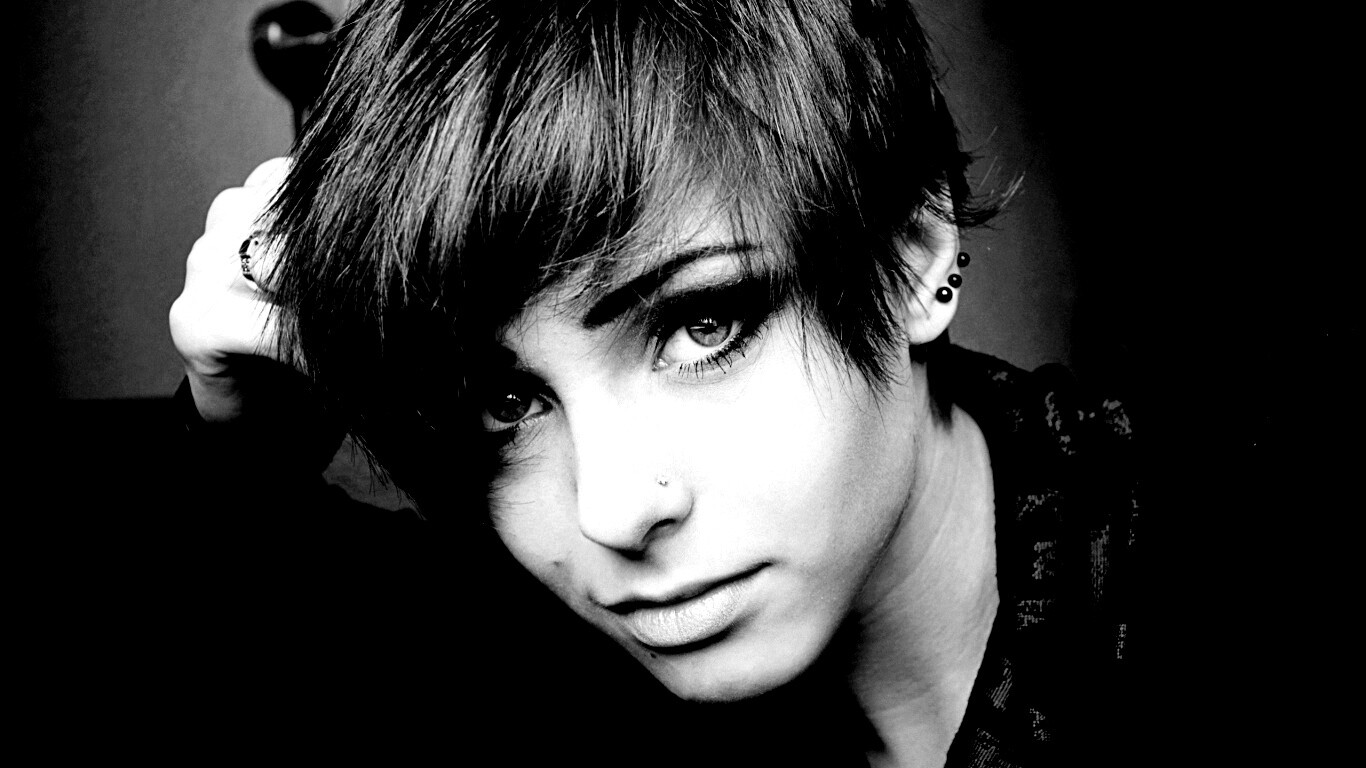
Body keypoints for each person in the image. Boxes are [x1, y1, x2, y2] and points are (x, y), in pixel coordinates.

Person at [169, 1, 1143, 764]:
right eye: (508, 400)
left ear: (913, 255)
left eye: (701, 325)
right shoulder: (544, 663)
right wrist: (241, 436)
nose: (613, 511)